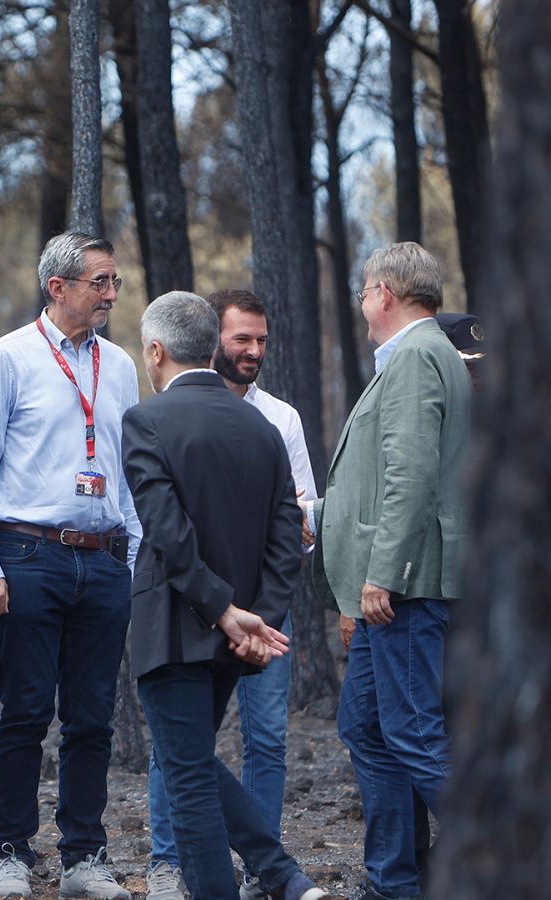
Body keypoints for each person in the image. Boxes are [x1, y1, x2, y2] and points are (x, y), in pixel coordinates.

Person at [122, 291, 328, 900]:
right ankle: (285, 876)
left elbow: (167, 531)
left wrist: (225, 611)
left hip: (176, 626)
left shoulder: (146, 421)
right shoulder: (263, 428)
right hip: (236, 639)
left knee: (186, 774)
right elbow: (286, 532)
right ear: (212, 347)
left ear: (155, 350)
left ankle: (279, 877)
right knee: (191, 760)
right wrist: (255, 615)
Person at [0, 231, 140, 900]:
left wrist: (136, 559)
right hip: (29, 553)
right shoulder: (8, 358)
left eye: (114, 282)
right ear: (57, 287)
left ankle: (84, 858)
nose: (111, 295)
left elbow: (128, 470)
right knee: (27, 708)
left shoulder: (119, 366)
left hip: (104, 559)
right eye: (100, 282)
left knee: (93, 715)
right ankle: (8, 851)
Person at [307, 242, 470, 900]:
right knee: (366, 728)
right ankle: (395, 883)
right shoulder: (429, 356)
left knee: (410, 731)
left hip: (405, 585)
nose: (361, 300)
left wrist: (384, 574)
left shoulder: (417, 357)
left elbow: (410, 475)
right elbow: (385, 476)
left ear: (386, 293)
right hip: (401, 581)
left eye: (365, 288)